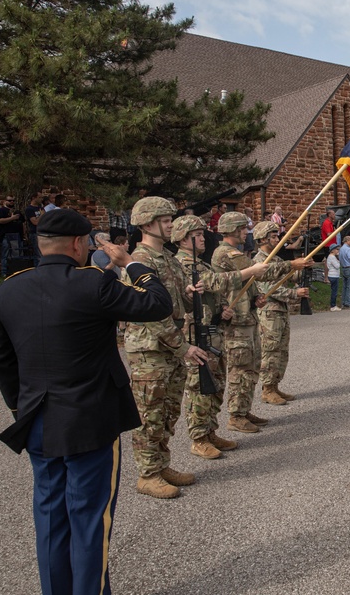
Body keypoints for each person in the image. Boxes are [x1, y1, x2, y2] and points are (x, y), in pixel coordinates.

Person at [0, 208, 173, 595]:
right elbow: (157, 304)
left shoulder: (11, 287)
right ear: (76, 244)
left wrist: (19, 407)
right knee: (89, 521)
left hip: (36, 420)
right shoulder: (93, 284)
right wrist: (132, 263)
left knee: (52, 520)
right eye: (88, 242)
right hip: (90, 421)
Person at [124, 197, 215, 499]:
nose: (171, 225)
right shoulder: (140, 262)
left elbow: (178, 304)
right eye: (165, 220)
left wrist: (190, 294)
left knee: (168, 411)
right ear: (148, 224)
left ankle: (161, 465)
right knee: (150, 414)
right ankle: (147, 474)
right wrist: (182, 347)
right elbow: (149, 313)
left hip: (171, 347)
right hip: (151, 350)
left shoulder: (168, 259)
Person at [172, 215, 263, 459]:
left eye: (203, 235)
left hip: (213, 330)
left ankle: (210, 430)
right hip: (195, 333)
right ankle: (198, 438)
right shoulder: (180, 265)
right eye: (197, 236)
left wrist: (222, 308)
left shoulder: (200, 263)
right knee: (199, 387)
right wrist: (250, 271)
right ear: (182, 239)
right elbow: (212, 282)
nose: (203, 239)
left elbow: (212, 292)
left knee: (216, 384)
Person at [212, 212, 308, 426]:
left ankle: (243, 411)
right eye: (243, 229)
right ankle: (237, 415)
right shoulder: (227, 253)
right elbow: (260, 272)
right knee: (241, 368)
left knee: (250, 366)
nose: (247, 232)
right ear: (234, 230)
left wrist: (255, 297)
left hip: (247, 314)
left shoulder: (235, 252)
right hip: (236, 319)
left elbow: (250, 281)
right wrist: (292, 265)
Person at [252, 220, 311, 405]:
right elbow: (269, 288)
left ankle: (275, 384)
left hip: (281, 311)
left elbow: (290, 276)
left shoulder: (277, 260)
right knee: (270, 350)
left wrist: (303, 268)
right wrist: (295, 293)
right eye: (274, 236)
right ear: (262, 239)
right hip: (269, 312)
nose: (278, 239)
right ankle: (267, 389)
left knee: (282, 350)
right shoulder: (259, 262)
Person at [0, 195, 25, 277]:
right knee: (5, 254)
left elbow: (22, 223)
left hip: (17, 235)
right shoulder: (1, 211)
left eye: (13, 200)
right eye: (10, 200)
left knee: (16, 254)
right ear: (5, 201)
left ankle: (15, 271)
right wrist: (12, 218)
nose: (12, 202)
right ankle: (5, 272)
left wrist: (24, 234)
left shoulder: (17, 212)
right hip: (6, 234)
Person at [25, 196, 43, 265]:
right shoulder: (29, 209)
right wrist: (41, 215)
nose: (41, 199)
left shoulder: (41, 208)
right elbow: (35, 222)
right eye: (39, 197)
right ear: (33, 198)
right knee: (38, 253)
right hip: (35, 233)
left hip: (42, 232)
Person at [326, 244, 341, 310]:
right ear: (333, 250)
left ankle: (333, 305)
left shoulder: (332, 257)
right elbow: (337, 266)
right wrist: (339, 261)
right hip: (333, 276)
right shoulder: (332, 257)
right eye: (337, 249)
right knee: (334, 291)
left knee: (334, 291)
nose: (338, 251)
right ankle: (333, 305)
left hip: (334, 275)